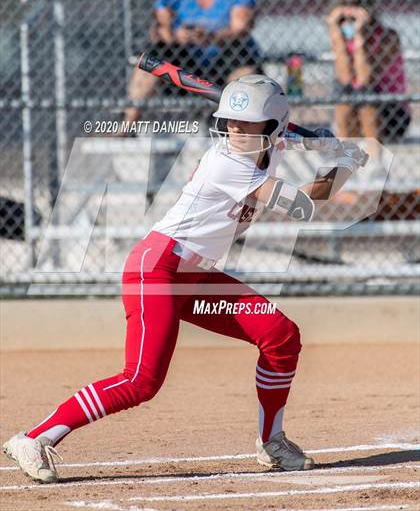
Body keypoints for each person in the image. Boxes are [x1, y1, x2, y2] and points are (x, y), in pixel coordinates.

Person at [3, 75, 367, 483]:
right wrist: (345, 163)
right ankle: (33, 438)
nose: (233, 128)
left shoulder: (269, 146)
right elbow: (301, 204)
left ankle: (272, 442)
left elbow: (282, 141)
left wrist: (315, 139)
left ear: (272, 128)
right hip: (158, 268)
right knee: (141, 380)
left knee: (281, 336)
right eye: (230, 120)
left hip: (195, 276)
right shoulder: (225, 160)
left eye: (245, 123)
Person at [123, 0, 261, 125]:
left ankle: (233, 128)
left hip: (222, 63)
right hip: (186, 68)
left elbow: (241, 28)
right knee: (154, 56)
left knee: (243, 57)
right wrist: (178, 36)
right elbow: (160, 30)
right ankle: (127, 125)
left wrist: (213, 38)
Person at [327, 0, 411, 159]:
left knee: (366, 96)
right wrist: (335, 32)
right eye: (345, 20)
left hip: (390, 110)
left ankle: (374, 161)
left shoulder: (388, 37)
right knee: (344, 97)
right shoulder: (341, 37)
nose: (349, 24)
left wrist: (359, 35)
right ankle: (345, 161)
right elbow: (346, 79)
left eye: (354, 19)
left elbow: (366, 80)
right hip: (353, 107)